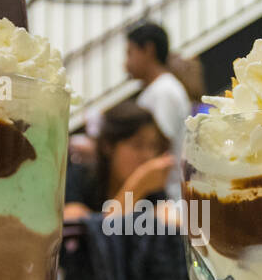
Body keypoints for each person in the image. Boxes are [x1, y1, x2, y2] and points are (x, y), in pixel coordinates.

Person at [63, 99, 172, 219]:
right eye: (137, 145)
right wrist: (137, 186)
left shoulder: (152, 191)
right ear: (108, 146)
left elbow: (170, 224)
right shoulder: (79, 179)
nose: (148, 156)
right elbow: (79, 229)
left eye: (153, 146)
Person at [124, 22, 192, 197]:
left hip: (165, 197)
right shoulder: (157, 89)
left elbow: (160, 147)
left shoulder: (165, 91)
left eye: (130, 53)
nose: (125, 63)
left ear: (148, 50)